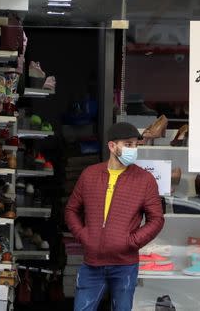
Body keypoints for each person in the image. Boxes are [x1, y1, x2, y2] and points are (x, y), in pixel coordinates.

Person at [65, 122, 165, 311]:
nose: (133, 150)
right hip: (92, 263)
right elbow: (71, 210)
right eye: (128, 144)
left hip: (125, 265)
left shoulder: (145, 180)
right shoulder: (90, 175)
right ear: (112, 146)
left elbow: (157, 219)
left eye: (136, 145)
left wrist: (131, 241)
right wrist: (84, 236)